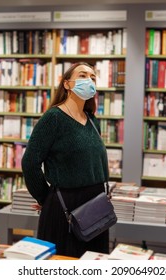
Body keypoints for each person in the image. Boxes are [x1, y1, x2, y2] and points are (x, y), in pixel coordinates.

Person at [21, 62, 110, 258]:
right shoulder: (53, 118)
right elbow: (30, 162)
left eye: (93, 77)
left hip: (95, 207)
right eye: (83, 75)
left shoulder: (92, 120)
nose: (89, 80)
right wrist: (45, 198)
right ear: (67, 84)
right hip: (65, 207)